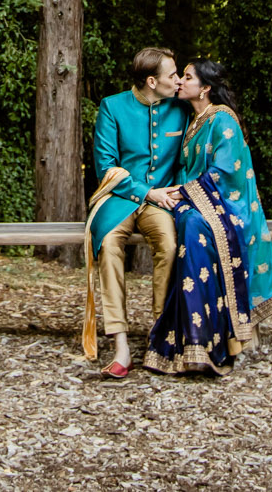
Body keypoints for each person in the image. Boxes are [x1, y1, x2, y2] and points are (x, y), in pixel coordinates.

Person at [140, 59, 272, 376]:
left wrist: (182, 192)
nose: (180, 82)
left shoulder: (223, 121)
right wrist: (178, 194)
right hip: (195, 203)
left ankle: (205, 343)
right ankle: (193, 341)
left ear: (205, 88)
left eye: (187, 77)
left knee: (192, 225)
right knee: (189, 222)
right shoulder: (194, 120)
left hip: (228, 208)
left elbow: (224, 174)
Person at [81, 47, 186, 377]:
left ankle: (159, 333)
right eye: (173, 75)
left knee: (169, 246)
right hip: (119, 198)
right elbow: (105, 165)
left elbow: (187, 159)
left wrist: (174, 194)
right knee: (109, 243)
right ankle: (121, 343)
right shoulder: (113, 107)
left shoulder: (181, 109)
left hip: (162, 201)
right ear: (152, 81)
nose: (178, 80)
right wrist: (144, 191)